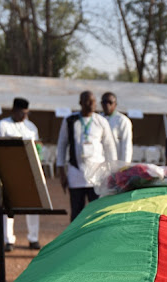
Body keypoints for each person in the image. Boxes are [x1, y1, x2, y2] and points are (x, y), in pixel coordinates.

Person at [57, 91, 117, 221]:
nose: (92, 104)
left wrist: (112, 172)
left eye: (94, 101)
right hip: (76, 174)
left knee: (97, 212)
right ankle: (75, 239)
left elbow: (110, 147)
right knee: (76, 212)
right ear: (80, 103)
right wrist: (61, 171)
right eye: (88, 101)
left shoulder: (101, 121)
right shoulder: (70, 121)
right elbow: (62, 145)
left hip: (97, 175)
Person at [0, 97, 42, 251]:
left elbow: (37, 148)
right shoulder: (2, 125)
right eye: (22, 113)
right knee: (7, 207)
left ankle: (33, 238)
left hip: (28, 171)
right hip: (9, 171)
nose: (24, 116)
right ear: (14, 111)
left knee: (33, 206)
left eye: (27, 113)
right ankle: (9, 240)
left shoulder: (31, 127)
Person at [101, 92, 133, 163]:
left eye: (110, 102)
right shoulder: (98, 119)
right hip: (101, 162)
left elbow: (126, 145)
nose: (107, 105)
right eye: (104, 102)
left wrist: (125, 165)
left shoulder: (122, 120)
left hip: (116, 163)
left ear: (115, 104)